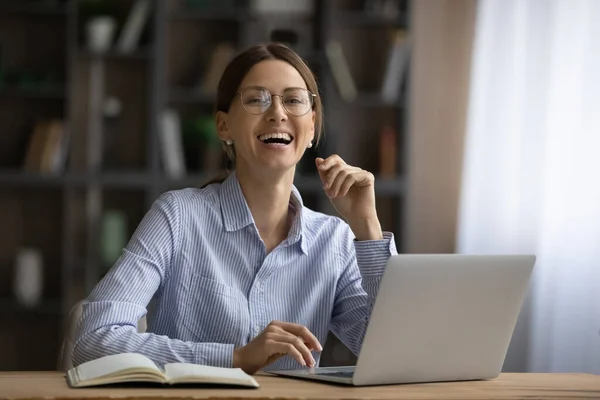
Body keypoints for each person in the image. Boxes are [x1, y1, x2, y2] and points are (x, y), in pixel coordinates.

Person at [72, 43, 397, 375]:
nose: (278, 113)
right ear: (223, 126)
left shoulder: (335, 241)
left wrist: (366, 225)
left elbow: (392, 352)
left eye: (294, 100)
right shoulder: (178, 217)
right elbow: (94, 339)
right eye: (257, 99)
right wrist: (235, 358)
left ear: (311, 126)